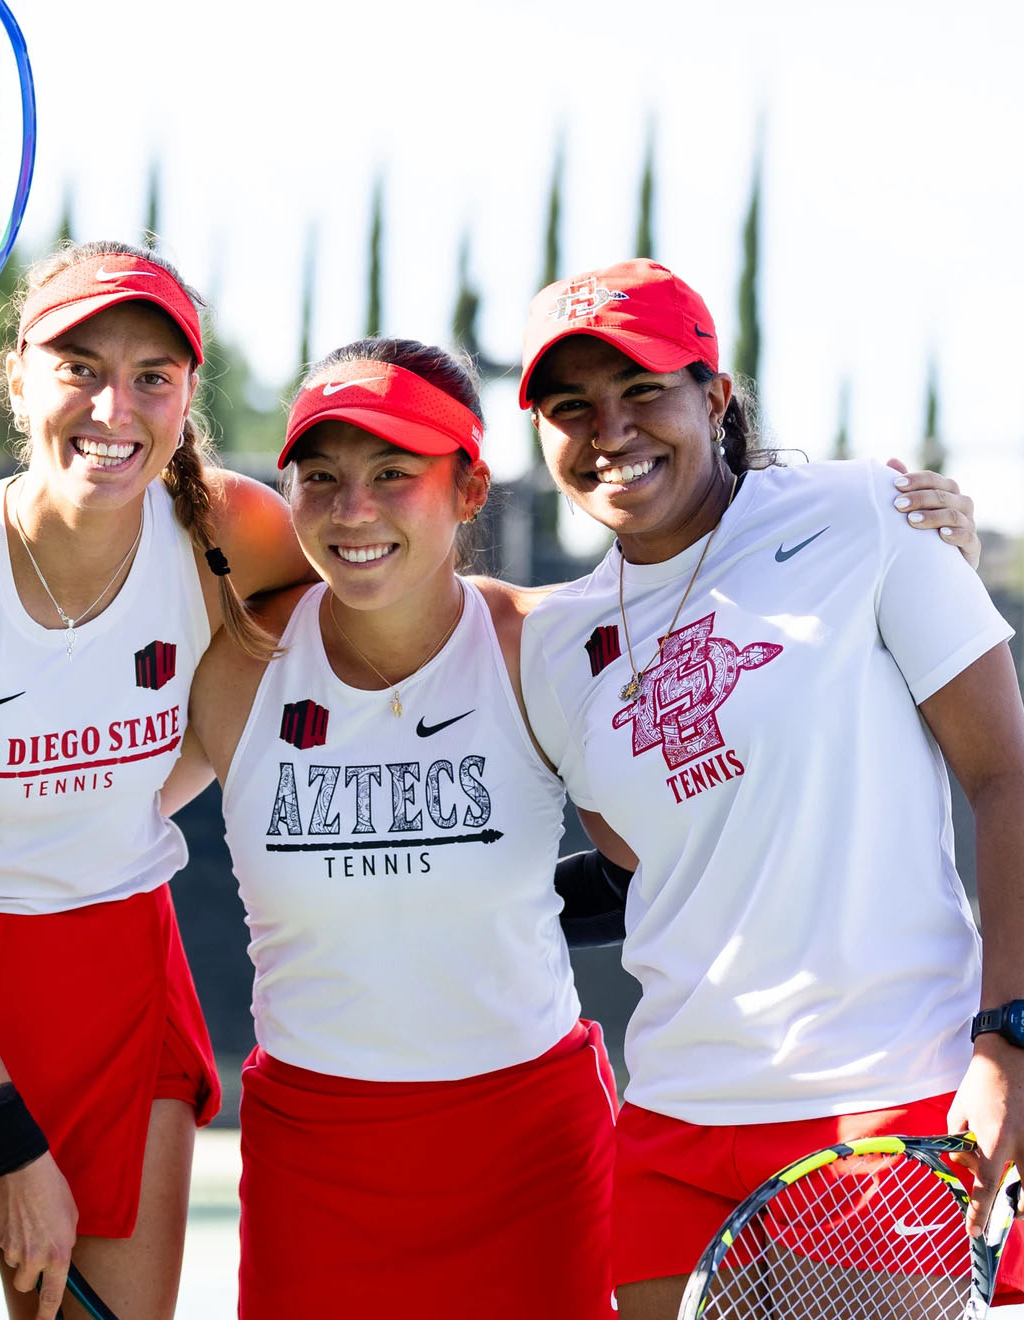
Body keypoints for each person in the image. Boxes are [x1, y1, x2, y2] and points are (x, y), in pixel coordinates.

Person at [514, 260, 1024, 1318]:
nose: (611, 430)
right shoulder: (554, 643)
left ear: (714, 399)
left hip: (880, 1105)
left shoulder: (869, 515)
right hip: (673, 1117)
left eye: (644, 393)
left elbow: (1005, 782)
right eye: (572, 405)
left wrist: (1010, 1039)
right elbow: (641, 859)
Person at [0, 242, 309, 1320]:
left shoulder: (233, 535)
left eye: (152, 376)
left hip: (123, 985)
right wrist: (8, 1146)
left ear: (187, 394)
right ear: (20, 381)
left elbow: (372, 606)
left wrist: (156, 785)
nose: (115, 405)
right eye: (80, 366)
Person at [185, 339, 621, 1318]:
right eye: (323, 478)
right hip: (318, 1160)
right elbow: (93, 816)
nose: (354, 509)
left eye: (394, 474)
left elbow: (754, 635)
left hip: (530, 1155)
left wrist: (897, 527)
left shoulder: (538, 650)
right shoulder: (240, 668)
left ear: (469, 488)